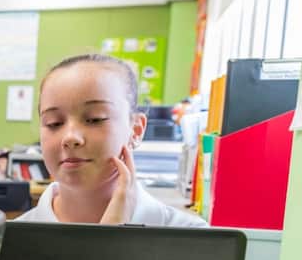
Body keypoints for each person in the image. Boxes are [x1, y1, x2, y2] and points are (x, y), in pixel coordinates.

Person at [20, 54, 205, 227]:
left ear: (136, 129)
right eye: (54, 123)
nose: (70, 137)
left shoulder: (195, 239)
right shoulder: (6, 241)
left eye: (95, 119)